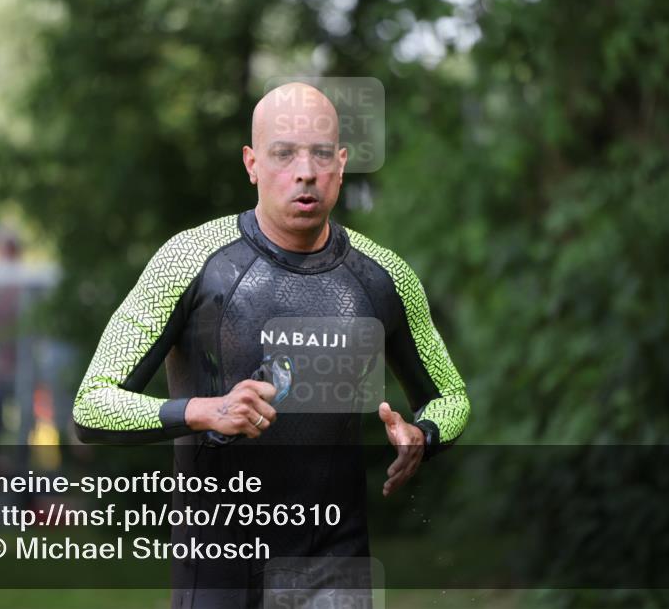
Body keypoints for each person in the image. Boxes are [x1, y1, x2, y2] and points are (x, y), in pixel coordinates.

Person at [72, 82, 470, 608]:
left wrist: (423, 433)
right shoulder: (188, 260)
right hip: (218, 570)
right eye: (284, 153)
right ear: (252, 163)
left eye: (321, 154)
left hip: (335, 562)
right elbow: (92, 403)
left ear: (342, 163)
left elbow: (453, 398)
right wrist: (204, 411)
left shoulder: (384, 276)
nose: (305, 171)